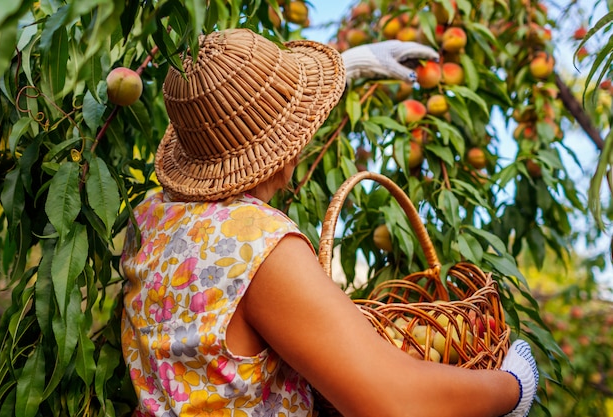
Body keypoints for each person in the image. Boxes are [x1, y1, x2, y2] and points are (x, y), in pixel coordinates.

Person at [120, 28, 538, 417]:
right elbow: (395, 400)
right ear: (286, 148)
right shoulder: (259, 242)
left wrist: (352, 63)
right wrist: (513, 387)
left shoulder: (151, 217)